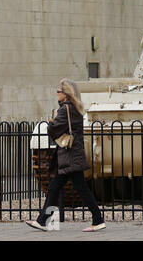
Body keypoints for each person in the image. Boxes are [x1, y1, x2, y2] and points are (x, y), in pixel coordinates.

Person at [26, 79, 106, 232]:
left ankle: (98, 220)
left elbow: (53, 130)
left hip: (70, 157)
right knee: (59, 187)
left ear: (66, 94)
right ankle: (44, 220)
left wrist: (50, 124)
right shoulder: (74, 108)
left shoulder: (65, 110)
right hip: (73, 155)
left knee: (67, 188)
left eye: (59, 91)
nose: (57, 93)